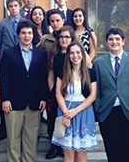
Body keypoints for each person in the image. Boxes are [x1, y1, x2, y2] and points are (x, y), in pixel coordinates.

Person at [93, 28, 129, 162]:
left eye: (117, 39)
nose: (114, 42)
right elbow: (97, 90)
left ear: (123, 42)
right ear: (106, 42)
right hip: (108, 114)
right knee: (114, 154)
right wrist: (98, 111)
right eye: (111, 39)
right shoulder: (98, 63)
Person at [0, 19, 48, 162]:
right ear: (18, 35)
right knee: (13, 138)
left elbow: (43, 78)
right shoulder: (8, 53)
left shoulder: (41, 54)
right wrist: (5, 99)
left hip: (34, 102)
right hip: (13, 102)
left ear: (33, 35)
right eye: (23, 33)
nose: (27, 36)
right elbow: (4, 78)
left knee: (31, 138)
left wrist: (44, 98)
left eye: (29, 33)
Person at [52, 42, 98, 161]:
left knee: (81, 155)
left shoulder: (90, 73)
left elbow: (92, 96)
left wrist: (75, 111)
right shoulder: (63, 72)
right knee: (69, 155)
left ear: (83, 55)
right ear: (68, 56)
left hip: (84, 112)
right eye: (72, 53)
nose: (75, 55)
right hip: (65, 111)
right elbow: (58, 94)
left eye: (78, 52)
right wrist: (66, 113)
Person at [45, 26, 78, 159]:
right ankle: (55, 147)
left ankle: (69, 148)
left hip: (73, 94)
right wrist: (53, 91)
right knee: (54, 120)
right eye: (61, 37)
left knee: (70, 121)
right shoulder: (54, 54)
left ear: (72, 38)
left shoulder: (77, 53)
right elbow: (50, 75)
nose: (64, 39)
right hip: (56, 93)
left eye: (67, 37)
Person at [0, 0, 25, 141]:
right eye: (11, 6)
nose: (13, 8)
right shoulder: (1, 24)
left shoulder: (26, 22)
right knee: (4, 92)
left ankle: (23, 128)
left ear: (20, 7)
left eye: (16, 5)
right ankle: (4, 129)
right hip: (6, 60)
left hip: (22, 61)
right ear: (8, 8)